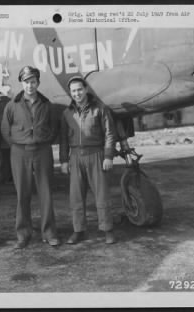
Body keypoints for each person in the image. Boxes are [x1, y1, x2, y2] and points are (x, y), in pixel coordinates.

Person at [1, 66, 60, 249]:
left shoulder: (46, 104)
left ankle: (49, 232)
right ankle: (23, 234)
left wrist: (44, 141)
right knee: (22, 194)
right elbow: (5, 129)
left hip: (42, 151)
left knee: (46, 193)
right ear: (21, 83)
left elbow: (54, 127)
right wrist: (19, 144)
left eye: (33, 81)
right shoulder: (12, 105)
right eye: (26, 82)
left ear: (38, 83)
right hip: (20, 152)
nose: (30, 85)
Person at [60, 76, 118, 244]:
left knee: (102, 195)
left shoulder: (100, 109)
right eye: (73, 91)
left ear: (86, 89)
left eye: (79, 89)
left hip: (96, 155)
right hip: (76, 157)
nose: (77, 93)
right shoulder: (66, 113)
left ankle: (107, 229)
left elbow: (109, 134)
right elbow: (63, 139)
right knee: (76, 197)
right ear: (70, 93)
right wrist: (64, 160)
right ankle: (78, 230)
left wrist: (108, 156)